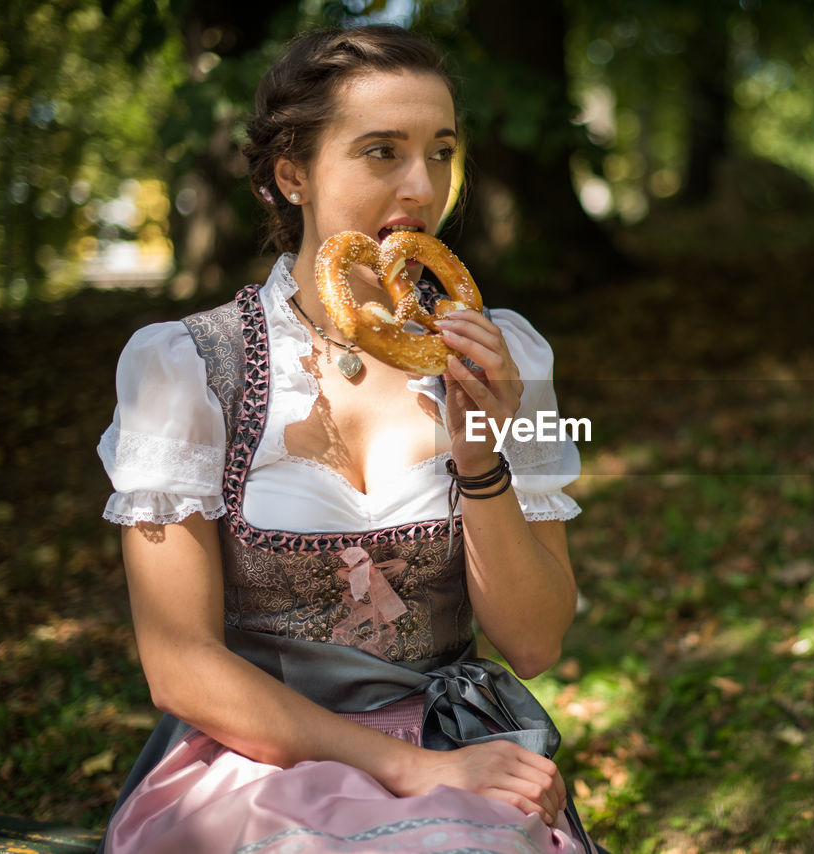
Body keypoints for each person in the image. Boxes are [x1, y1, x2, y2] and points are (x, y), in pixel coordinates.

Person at [96, 24, 594, 854]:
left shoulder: (501, 354)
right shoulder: (187, 367)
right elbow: (180, 664)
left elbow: (536, 642)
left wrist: (479, 457)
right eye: (380, 152)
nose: (421, 185)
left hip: (454, 740)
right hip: (257, 757)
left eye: (440, 151)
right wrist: (410, 771)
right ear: (293, 175)